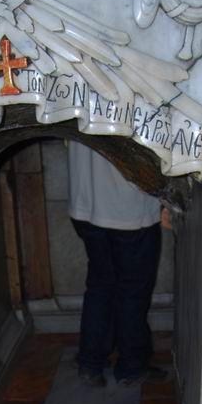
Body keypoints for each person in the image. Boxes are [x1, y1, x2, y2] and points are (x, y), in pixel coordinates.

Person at [67, 142, 170, 387]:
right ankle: (131, 367)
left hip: (85, 201)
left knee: (100, 286)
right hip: (128, 205)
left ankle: (90, 364)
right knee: (132, 292)